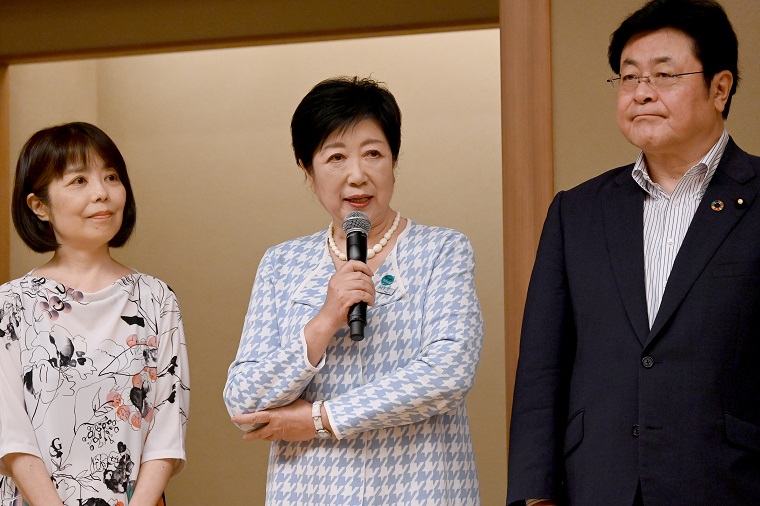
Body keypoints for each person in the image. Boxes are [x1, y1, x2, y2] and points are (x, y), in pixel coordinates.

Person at [507, 0, 760, 504]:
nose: (642, 92)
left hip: (730, 482)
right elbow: (542, 367)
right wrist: (534, 494)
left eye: (664, 75)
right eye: (628, 77)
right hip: (600, 484)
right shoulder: (576, 212)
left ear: (720, 87)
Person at [223, 76, 483, 505]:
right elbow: (244, 398)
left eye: (373, 154)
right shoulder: (282, 264)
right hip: (312, 491)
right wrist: (324, 321)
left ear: (393, 162)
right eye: (336, 157)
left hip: (421, 489)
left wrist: (322, 419)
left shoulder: (442, 250)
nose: (357, 175)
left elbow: (447, 373)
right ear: (308, 172)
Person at [0, 122, 190, 506]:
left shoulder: (156, 299)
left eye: (111, 176)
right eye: (79, 181)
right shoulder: (11, 304)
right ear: (39, 206)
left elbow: (167, 430)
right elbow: (10, 434)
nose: (102, 193)